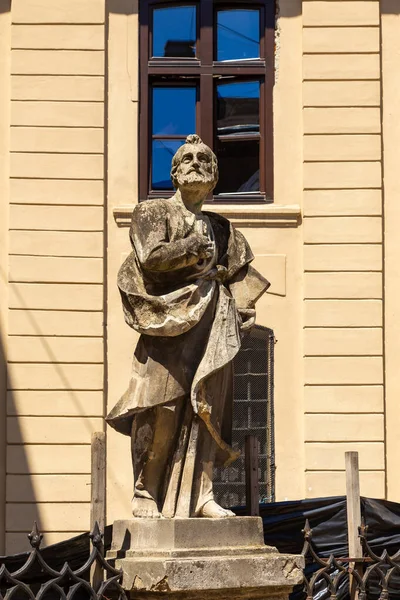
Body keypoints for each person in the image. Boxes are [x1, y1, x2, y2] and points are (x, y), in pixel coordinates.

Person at [106, 134, 269, 518]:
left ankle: (202, 495)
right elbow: (150, 258)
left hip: (213, 325)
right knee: (160, 406)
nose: (195, 162)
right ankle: (146, 489)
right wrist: (192, 250)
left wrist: (243, 306)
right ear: (174, 172)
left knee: (205, 408)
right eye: (187, 158)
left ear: (214, 178)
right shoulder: (152, 213)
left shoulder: (223, 228)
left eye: (204, 159)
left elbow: (241, 276)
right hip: (166, 324)